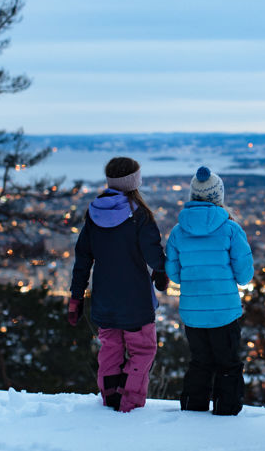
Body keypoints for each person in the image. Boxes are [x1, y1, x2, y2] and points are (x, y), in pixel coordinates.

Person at [68, 156, 169, 413]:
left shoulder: (93, 213)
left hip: (104, 299)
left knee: (110, 349)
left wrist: (76, 296)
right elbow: (154, 254)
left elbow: (83, 259)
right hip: (136, 300)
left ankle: (110, 396)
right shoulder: (140, 215)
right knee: (143, 349)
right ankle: (129, 400)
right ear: (135, 181)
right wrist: (161, 271)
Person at [165, 166, 254, 415]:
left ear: (193, 195)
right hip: (225, 313)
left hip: (192, 312)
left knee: (200, 362)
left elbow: (174, 274)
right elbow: (245, 275)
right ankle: (226, 412)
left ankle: (193, 409)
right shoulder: (230, 229)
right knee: (228, 363)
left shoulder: (178, 231)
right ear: (219, 196)